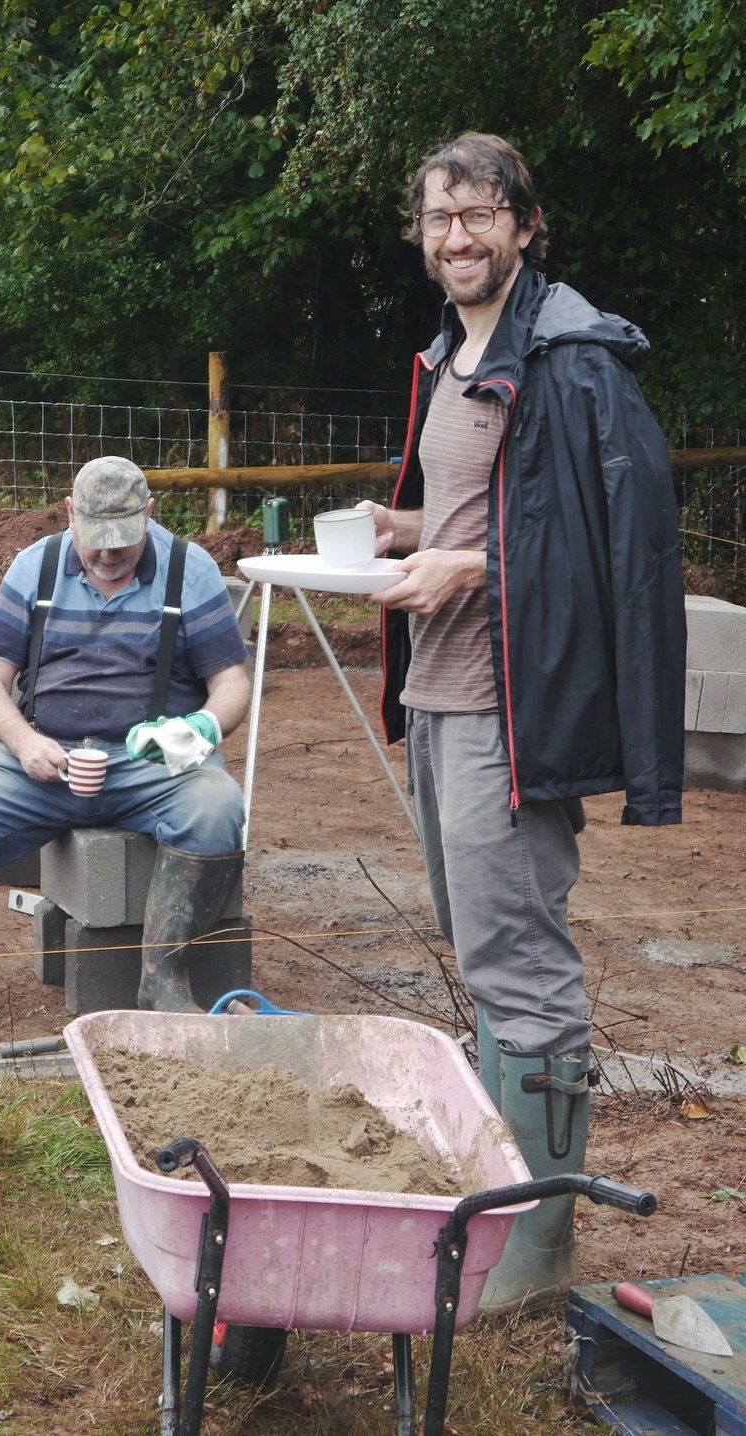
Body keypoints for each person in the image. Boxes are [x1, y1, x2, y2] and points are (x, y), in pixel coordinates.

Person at [359, 134, 685, 1312]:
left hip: (517, 699)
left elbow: (606, 544)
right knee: (481, 946)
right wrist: (402, 535)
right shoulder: (453, 357)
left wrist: (470, 572)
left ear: (526, 226)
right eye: (441, 219)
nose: (460, 236)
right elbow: (483, 510)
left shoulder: (573, 362)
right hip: (437, 694)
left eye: (482, 216)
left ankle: (537, 1265)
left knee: (524, 964)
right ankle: (504, 1210)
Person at [0, 456, 253, 1076]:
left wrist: (199, 728)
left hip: (150, 766)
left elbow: (231, 683)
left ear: (150, 515)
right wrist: (24, 741)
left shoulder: (188, 570)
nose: (109, 556)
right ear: (70, 515)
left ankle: (164, 985)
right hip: (43, 757)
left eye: (123, 543)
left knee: (218, 805)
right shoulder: (35, 566)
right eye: (95, 543)